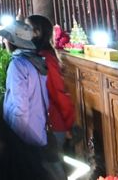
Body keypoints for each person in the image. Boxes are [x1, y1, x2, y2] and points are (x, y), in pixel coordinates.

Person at [0, 23, 66, 180]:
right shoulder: (38, 60)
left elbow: (19, 104)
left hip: (23, 129)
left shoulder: (18, 64)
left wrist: (14, 135)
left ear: (12, 42)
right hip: (38, 126)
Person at [27, 14, 76, 150]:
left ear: (37, 33)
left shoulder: (46, 59)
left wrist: (69, 124)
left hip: (50, 122)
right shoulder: (31, 57)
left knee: (52, 168)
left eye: (27, 28)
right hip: (37, 122)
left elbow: (58, 93)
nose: (23, 30)